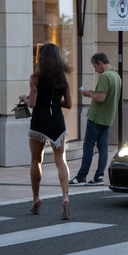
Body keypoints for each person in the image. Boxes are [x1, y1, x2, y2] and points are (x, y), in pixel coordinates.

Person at [19, 43, 73, 220]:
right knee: (60, 160)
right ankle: (65, 197)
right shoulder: (63, 78)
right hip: (57, 120)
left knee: (36, 160)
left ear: (41, 59)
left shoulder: (35, 78)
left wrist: (25, 99)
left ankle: (36, 199)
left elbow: (33, 104)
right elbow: (69, 104)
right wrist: (55, 103)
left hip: (40, 121)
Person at [69, 53, 121, 186]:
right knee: (103, 147)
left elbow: (100, 98)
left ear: (100, 63)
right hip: (108, 117)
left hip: (96, 117)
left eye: (95, 66)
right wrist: (93, 93)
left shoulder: (105, 76)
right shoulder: (116, 76)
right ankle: (99, 176)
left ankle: (81, 176)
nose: (95, 70)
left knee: (88, 146)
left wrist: (87, 93)